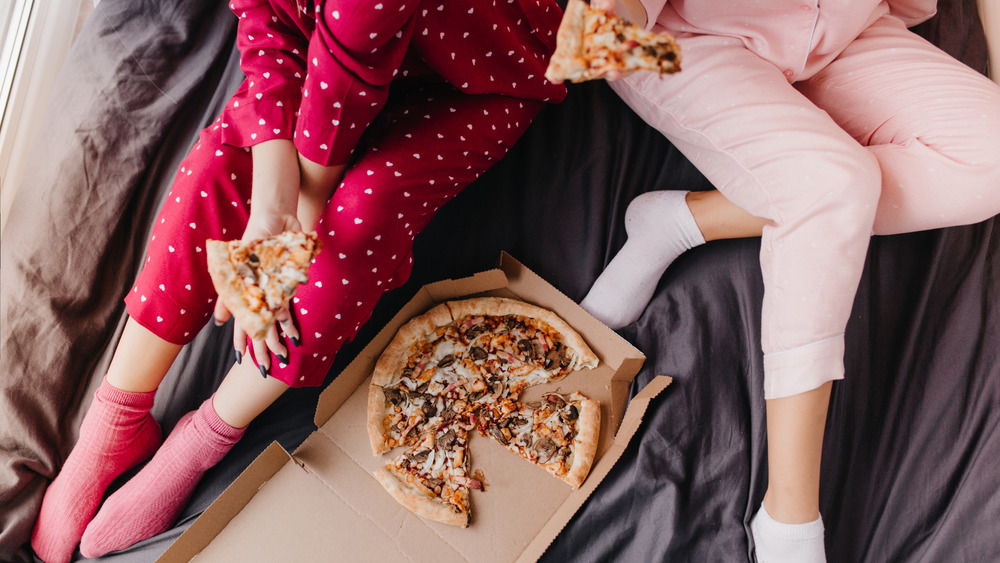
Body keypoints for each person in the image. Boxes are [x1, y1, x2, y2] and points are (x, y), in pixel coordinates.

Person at [29, 1, 566, 560]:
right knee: (218, 162)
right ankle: (116, 421)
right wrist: (269, 206)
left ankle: (202, 439)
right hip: (330, 49)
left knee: (360, 221)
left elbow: (344, 93)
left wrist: (289, 238)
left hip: (482, 72)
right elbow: (265, 23)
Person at [579, 0, 1000, 561]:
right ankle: (789, 512)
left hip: (841, 28)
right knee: (829, 184)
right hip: (683, 39)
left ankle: (686, 219)